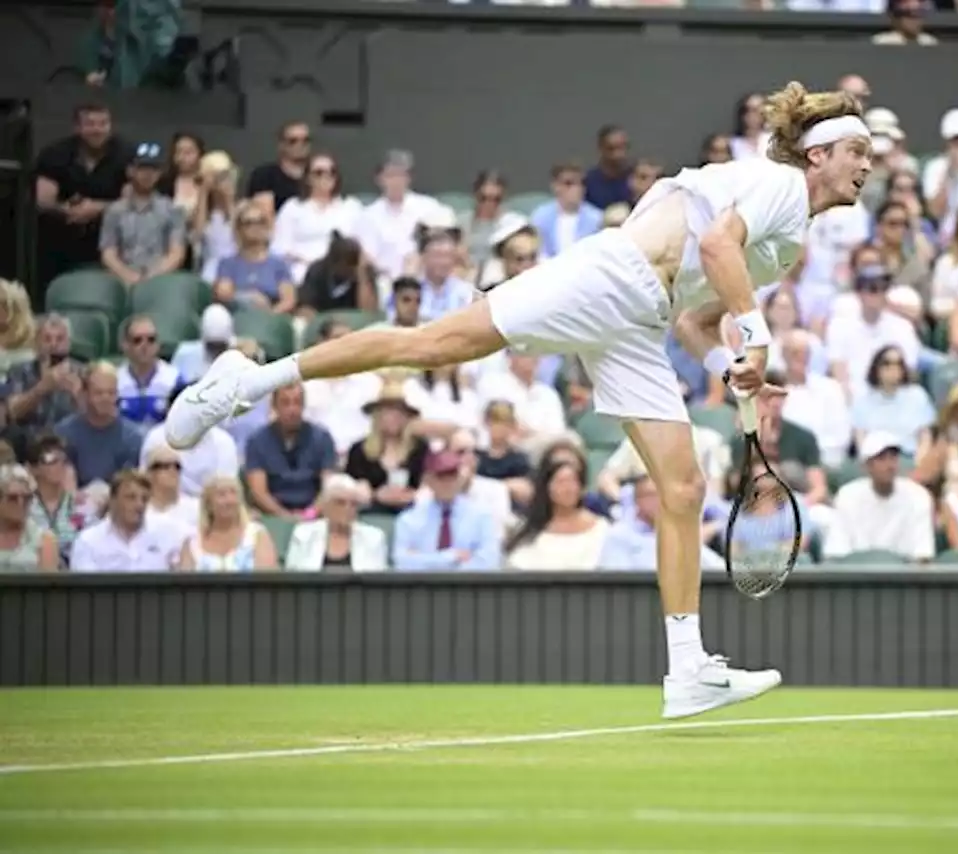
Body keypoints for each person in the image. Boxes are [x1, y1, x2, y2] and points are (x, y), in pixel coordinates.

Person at [166, 80, 872, 720]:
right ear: (817, 156)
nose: (867, 165)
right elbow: (719, 246)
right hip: (612, 275)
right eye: (856, 150)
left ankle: (687, 669)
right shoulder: (779, 184)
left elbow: (696, 316)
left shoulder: (789, 244)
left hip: (645, 321)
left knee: (682, 488)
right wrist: (756, 339)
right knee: (433, 345)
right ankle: (246, 382)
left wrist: (730, 363)